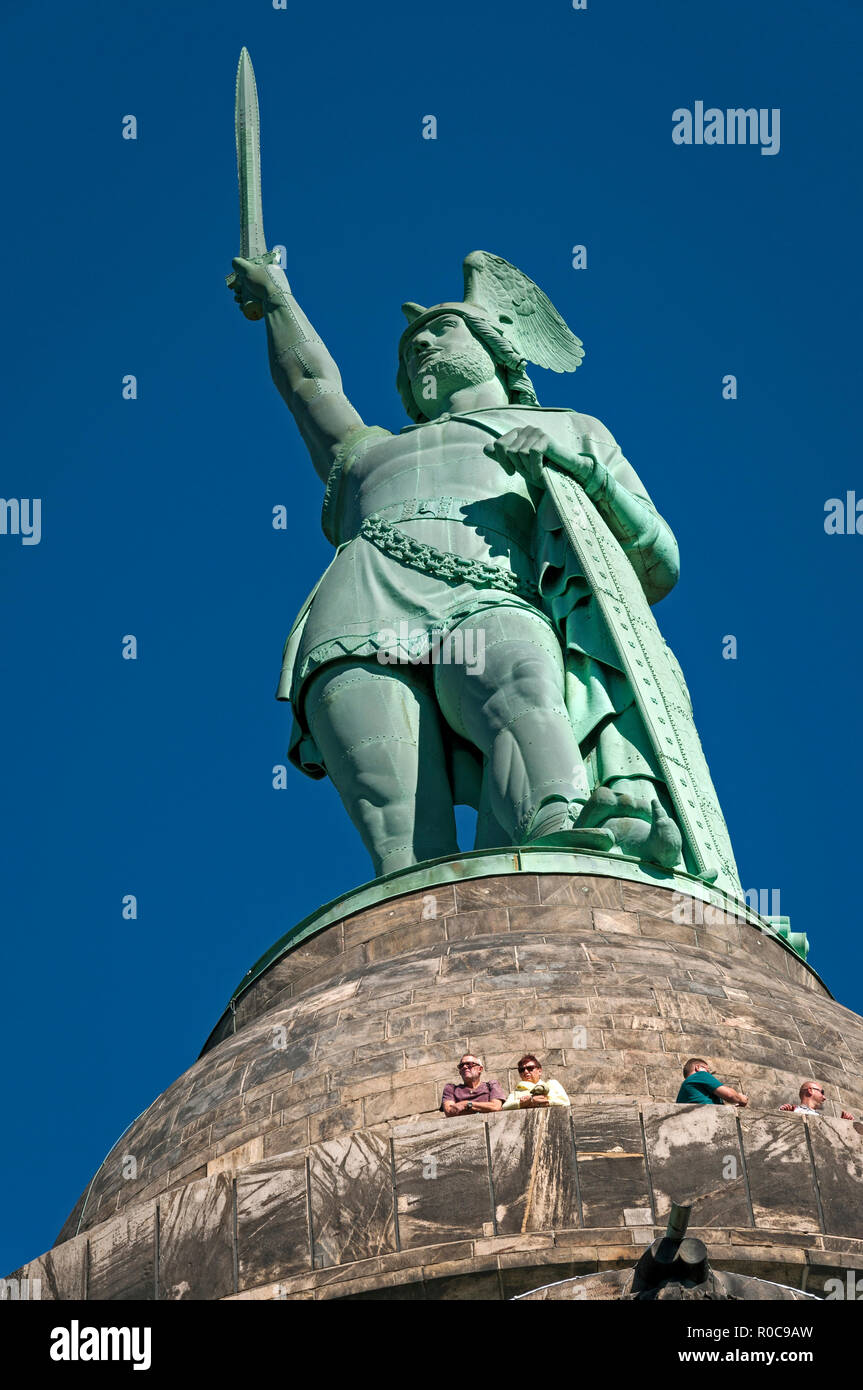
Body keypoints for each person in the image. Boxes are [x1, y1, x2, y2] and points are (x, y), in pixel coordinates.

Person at [440, 1055, 505, 1117]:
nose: (464, 1067)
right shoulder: (451, 1089)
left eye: (469, 1064)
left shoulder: (492, 1085)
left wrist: (466, 1104)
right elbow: (449, 1112)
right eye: (461, 1066)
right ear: (460, 1072)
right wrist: (485, 1108)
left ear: (480, 1069)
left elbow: (495, 1107)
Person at [502, 1054, 570, 1109]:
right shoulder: (515, 1092)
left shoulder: (552, 1084)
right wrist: (525, 1102)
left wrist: (546, 1102)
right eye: (521, 1070)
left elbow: (565, 1102)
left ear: (539, 1071)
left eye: (530, 1068)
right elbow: (504, 1107)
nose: (525, 1071)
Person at [675, 1057, 749, 1107]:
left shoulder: (684, 1090)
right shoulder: (700, 1075)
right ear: (698, 1067)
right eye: (708, 1070)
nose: (708, 1074)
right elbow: (730, 1095)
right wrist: (741, 1098)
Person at [779, 1082, 854, 1120]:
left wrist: (843, 1123)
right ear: (810, 1090)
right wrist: (784, 1114)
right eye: (822, 1092)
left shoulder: (822, 1118)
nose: (824, 1098)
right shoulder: (791, 1110)